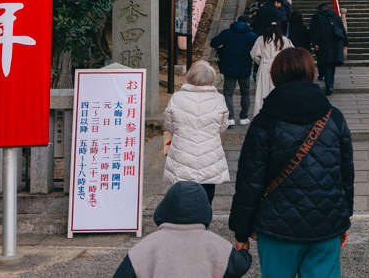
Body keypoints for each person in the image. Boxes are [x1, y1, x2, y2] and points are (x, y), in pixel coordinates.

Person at [228, 48, 354, 278]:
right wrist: (343, 218)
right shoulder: (334, 117)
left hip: (277, 226)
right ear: (311, 73)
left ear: (275, 76)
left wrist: (241, 231)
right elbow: (345, 175)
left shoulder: (265, 122)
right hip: (326, 223)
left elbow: (250, 182)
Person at [113, 180, 252, 278]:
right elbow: (239, 265)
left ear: (164, 209)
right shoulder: (215, 243)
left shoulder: (147, 245)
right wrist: (244, 251)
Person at [163, 60, 231, 203]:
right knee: (207, 194)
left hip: (182, 152)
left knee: (182, 194)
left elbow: (169, 127)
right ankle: (204, 220)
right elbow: (222, 128)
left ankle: (183, 222)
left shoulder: (177, 98)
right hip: (210, 152)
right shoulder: (219, 99)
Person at [210, 16, 257, 124]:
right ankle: (244, 117)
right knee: (245, 92)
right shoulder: (252, 36)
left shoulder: (226, 33)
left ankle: (230, 117)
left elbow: (213, 43)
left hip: (228, 68)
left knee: (228, 93)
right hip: (245, 68)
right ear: (247, 24)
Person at [250, 22, 291, 116]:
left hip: (265, 66)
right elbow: (291, 54)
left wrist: (261, 62)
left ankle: (261, 112)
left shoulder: (261, 39)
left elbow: (254, 54)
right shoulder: (285, 40)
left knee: (262, 91)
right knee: (279, 90)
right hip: (280, 66)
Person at [309, 3, 349, 96]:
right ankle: (330, 83)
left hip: (324, 43)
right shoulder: (336, 16)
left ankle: (329, 85)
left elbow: (314, 31)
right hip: (336, 43)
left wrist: (315, 43)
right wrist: (345, 43)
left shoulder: (317, 17)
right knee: (332, 64)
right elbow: (342, 30)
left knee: (327, 63)